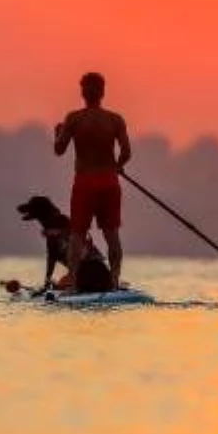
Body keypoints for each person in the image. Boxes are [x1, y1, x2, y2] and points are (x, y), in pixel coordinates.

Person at [53, 72, 131, 289]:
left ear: (83, 93)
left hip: (85, 182)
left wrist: (58, 133)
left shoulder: (74, 118)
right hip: (109, 181)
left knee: (77, 234)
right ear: (102, 92)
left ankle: (74, 283)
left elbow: (59, 150)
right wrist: (117, 166)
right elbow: (126, 152)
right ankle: (114, 281)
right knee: (112, 234)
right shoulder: (115, 119)